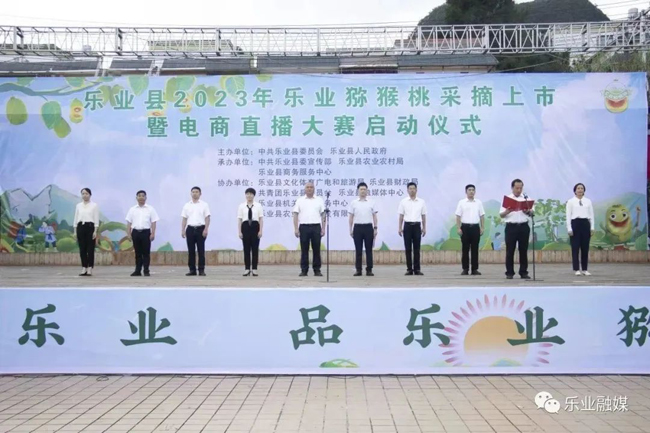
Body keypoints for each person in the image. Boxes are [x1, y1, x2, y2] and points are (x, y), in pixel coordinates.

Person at [499, 179, 534, 280]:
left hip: (523, 226)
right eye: (517, 188)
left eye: (520, 188)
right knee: (510, 251)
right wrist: (507, 211)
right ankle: (509, 273)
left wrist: (528, 211)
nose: (519, 190)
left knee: (523, 250)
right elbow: (501, 214)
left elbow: (532, 213)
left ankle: (523, 272)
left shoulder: (526, 199)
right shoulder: (507, 199)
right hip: (511, 227)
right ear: (512, 188)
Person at [292, 182, 325, 277]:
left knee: (316, 249)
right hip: (304, 227)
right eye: (307, 187)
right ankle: (304, 270)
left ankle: (317, 270)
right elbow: (295, 214)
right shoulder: (300, 200)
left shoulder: (319, 200)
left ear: (314, 189)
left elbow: (323, 215)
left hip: (316, 227)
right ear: (305, 189)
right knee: (304, 249)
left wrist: (323, 228)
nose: (309, 189)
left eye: (311, 187)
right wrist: (296, 228)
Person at [126, 190, 160, 277]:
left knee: (146, 253)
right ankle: (137, 270)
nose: (141, 197)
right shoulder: (132, 209)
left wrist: (153, 233)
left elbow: (153, 222)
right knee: (137, 253)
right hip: (135, 232)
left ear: (146, 198)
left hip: (146, 232)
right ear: (136, 198)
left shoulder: (150, 209)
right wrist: (129, 233)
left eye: (143, 196)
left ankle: (146, 270)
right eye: (139, 196)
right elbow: (129, 222)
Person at [348, 182, 378, 277]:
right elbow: (351, 217)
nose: (363, 191)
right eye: (361, 189)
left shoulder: (371, 202)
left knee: (369, 250)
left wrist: (375, 228)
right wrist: (350, 229)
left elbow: (374, 216)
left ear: (367, 191)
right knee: (358, 250)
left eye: (364, 189)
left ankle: (369, 270)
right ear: (358, 190)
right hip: (357, 228)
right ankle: (358, 270)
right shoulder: (354, 203)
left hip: (368, 227)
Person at [455, 184, 485, 276]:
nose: (471, 191)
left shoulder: (478, 202)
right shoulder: (462, 202)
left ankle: (475, 269)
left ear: (475, 192)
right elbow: (458, 216)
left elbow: (482, 216)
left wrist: (482, 227)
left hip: (475, 227)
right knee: (465, 249)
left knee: (475, 249)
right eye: (469, 190)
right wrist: (458, 228)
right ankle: (465, 269)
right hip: (465, 228)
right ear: (466, 192)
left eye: (473, 190)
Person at [398, 182, 427, 276]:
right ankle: (409, 269)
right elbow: (401, 216)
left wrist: (424, 228)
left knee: (417, 249)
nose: (412, 190)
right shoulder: (403, 202)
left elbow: (423, 216)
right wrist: (400, 227)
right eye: (410, 189)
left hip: (417, 226)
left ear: (416, 190)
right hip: (407, 226)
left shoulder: (421, 202)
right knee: (408, 249)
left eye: (413, 188)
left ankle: (417, 269)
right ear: (407, 190)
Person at [566, 183, 595, 276]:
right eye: (578, 188)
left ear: (584, 190)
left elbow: (591, 215)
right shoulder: (570, 201)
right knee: (575, 248)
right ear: (575, 190)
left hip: (585, 224)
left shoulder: (588, 201)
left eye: (581, 188)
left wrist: (592, 227)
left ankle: (585, 269)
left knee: (585, 248)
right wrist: (569, 228)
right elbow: (568, 216)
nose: (580, 190)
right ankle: (576, 269)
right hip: (575, 223)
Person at [181, 186, 210, 276]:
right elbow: (184, 218)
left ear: (200, 194)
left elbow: (207, 218)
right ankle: (192, 270)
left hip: (200, 228)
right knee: (191, 251)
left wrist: (206, 229)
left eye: (197, 192)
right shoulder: (187, 205)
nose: (195, 193)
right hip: (190, 229)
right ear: (191, 193)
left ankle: (201, 270)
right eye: (193, 192)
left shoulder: (204, 205)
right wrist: (183, 230)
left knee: (201, 250)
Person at [238, 188, 264, 276]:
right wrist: (239, 231)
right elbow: (239, 219)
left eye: (251, 194)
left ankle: (254, 269)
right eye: (247, 194)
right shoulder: (241, 206)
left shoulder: (258, 206)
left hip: (255, 226)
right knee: (246, 249)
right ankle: (247, 268)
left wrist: (260, 230)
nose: (249, 196)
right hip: (245, 226)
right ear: (245, 195)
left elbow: (260, 219)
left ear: (254, 195)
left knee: (255, 249)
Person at [73, 188, 99, 276]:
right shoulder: (78, 206)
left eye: (86, 193)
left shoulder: (94, 205)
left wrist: (95, 231)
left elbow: (96, 218)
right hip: (81, 227)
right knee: (82, 249)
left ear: (90, 195)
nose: (85, 195)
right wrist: (75, 231)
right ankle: (84, 267)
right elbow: (76, 218)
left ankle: (90, 267)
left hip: (90, 227)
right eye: (83, 193)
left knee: (90, 249)